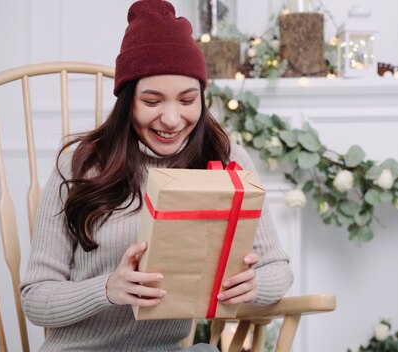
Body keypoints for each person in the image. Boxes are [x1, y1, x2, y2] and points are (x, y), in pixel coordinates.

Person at [19, 0, 293, 351]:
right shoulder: (82, 164)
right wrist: (106, 290)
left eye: (187, 99)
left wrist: (255, 285)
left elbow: (278, 269)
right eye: (152, 101)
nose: (172, 119)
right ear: (128, 101)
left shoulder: (226, 160)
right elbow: (35, 297)